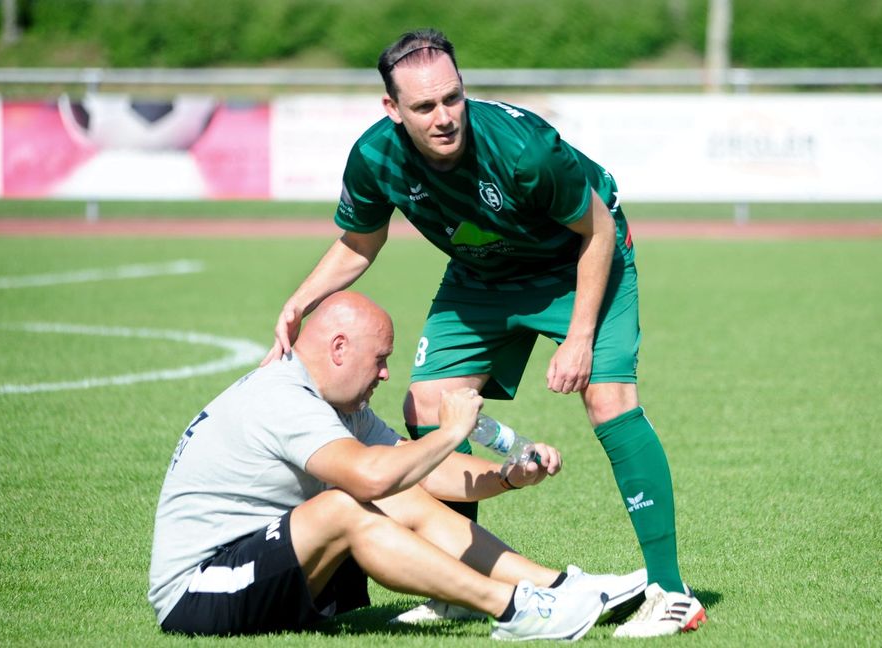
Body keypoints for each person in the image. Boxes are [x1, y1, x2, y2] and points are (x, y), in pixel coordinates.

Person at [262, 30, 706, 638]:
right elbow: (361, 242)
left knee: (608, 400)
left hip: (576, 259)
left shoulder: (524, 149)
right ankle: (459, 586)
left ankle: (671, 592)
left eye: (453, 98)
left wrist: (578, 338)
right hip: (483, 271)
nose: (444, 117)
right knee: (425, 400)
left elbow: (597, 231)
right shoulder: (375, 157)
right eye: (424, 107)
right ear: (392, 110)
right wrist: (297, 302)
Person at [149, 290, 648, 640]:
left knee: (398, 492)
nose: (386, 373)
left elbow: (425, 478)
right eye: (380, 359)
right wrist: (451, 431)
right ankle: (513, 608)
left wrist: (506, 477)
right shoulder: (282, 396)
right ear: (339, 348)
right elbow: (370, 477)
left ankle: (556, 587)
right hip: (200, 590)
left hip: (261, 566)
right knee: (346, 504)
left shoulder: (336, 406)